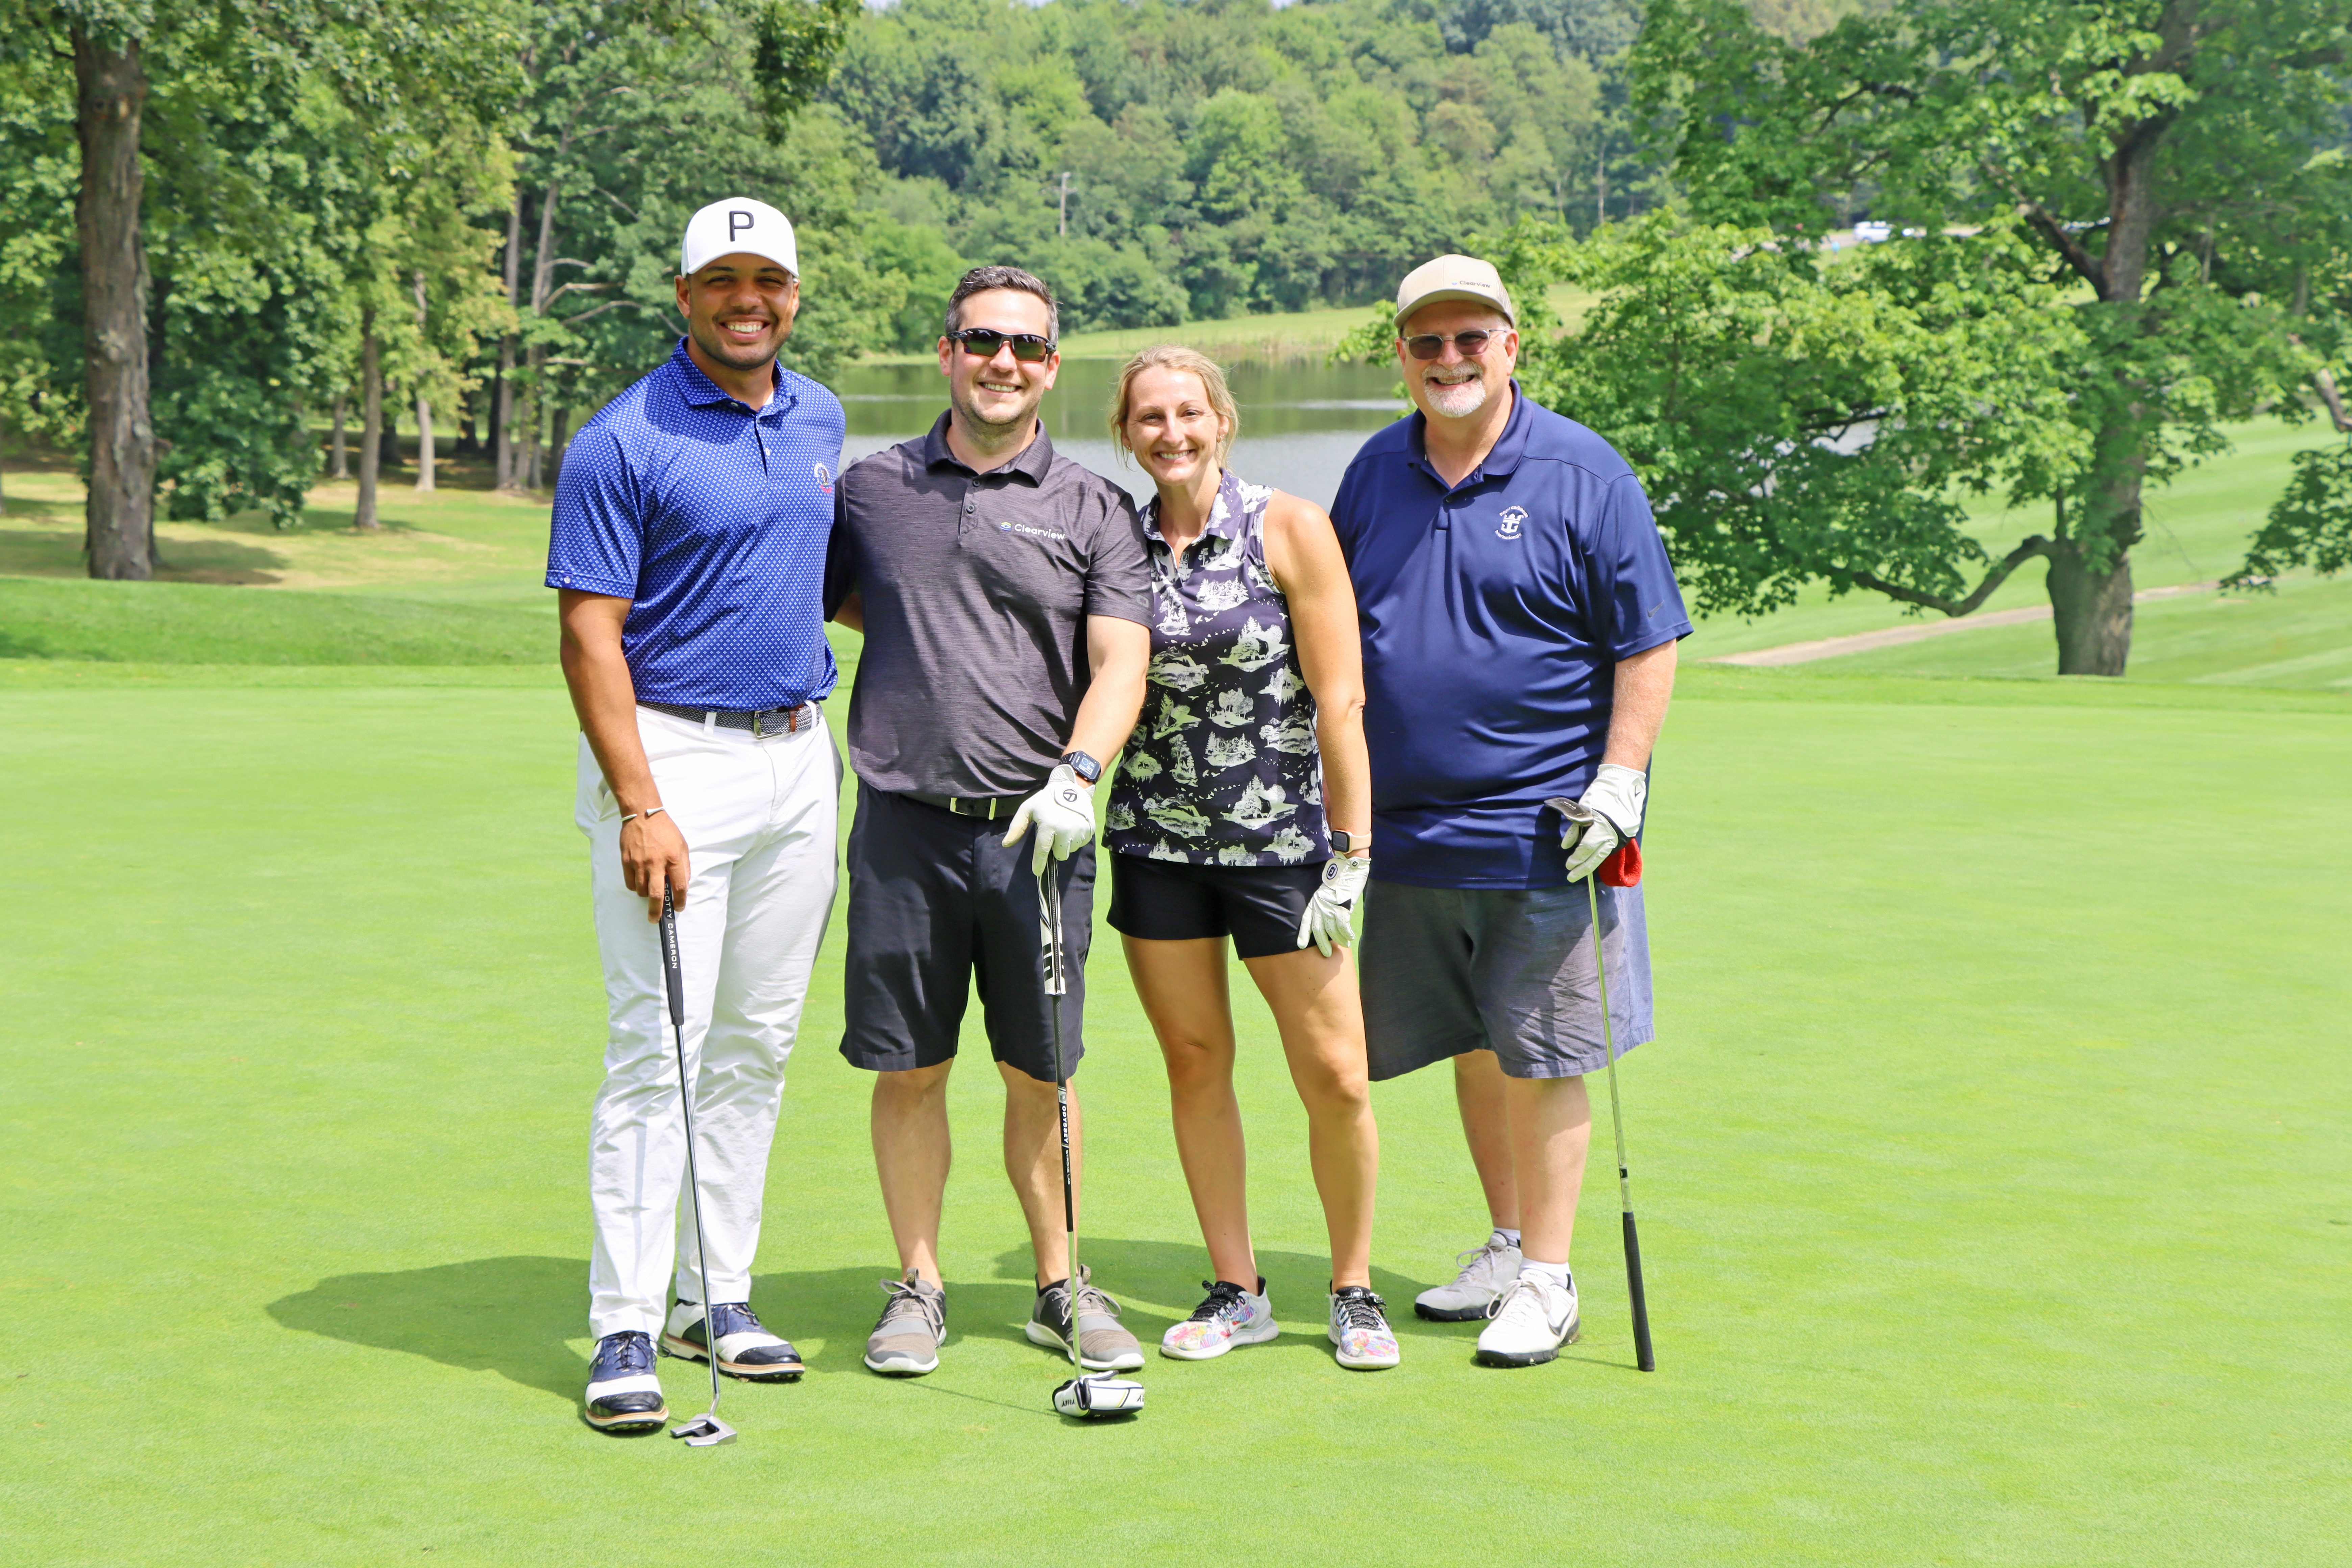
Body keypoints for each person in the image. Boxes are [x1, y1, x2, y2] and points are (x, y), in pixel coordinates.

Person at [1328, 255, 1689, 1369]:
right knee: (1473, 1042)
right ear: (1402, 354)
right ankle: (1508, 1239)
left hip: (1547, 830)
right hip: (1413, 831)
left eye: (1470, 339)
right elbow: (1336, 629)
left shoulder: (1584, 470)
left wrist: (1621, 780)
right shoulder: (1376, 471)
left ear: (1511, 345)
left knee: (1544, 1051)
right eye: (1427, 343)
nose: (1449, 360)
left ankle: (1549, 1276)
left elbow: (1648, 639)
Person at [826, 265, 1152, 1379]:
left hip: (1040, 835)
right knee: (910, 1067)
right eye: (982, 341)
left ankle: (1059, 1285)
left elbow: (1121, 662)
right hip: (906, 826)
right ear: (948, 353)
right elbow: (841, 596)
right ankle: (918, 1284)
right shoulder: (872, 490)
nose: (1002, 361)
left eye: (1025, 345)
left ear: (1052, 367)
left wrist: (1080, 770)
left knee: (1040, 1074)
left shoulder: (1094, 505)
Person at [548, 197, 842, 1432]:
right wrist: (640, 803)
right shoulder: (623, 438)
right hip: (674, 761)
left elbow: (809, 578)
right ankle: (625, 1322)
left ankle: (717, 1293)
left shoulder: (819, 414)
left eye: (764, 280)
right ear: (683, 297)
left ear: (790, 293)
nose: (745, 300)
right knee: (654, 1051)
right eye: (721, 281)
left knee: (755, 1046)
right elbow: (588, 637)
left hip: (798, 761)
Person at [1099, 345, 1396, 1370]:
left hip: (1285, 847)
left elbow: (1340, 698)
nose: (1171, 433)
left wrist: (1351, 850)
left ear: (1223, 421)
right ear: (1126, 434)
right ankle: (1239, 1286)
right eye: (1150, 418)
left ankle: (1353, 1288)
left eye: (1189, 413)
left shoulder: (1289, 525)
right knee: (1195, 1062)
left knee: (1337, 1075)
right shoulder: (1114, 541)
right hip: (1155, 841)